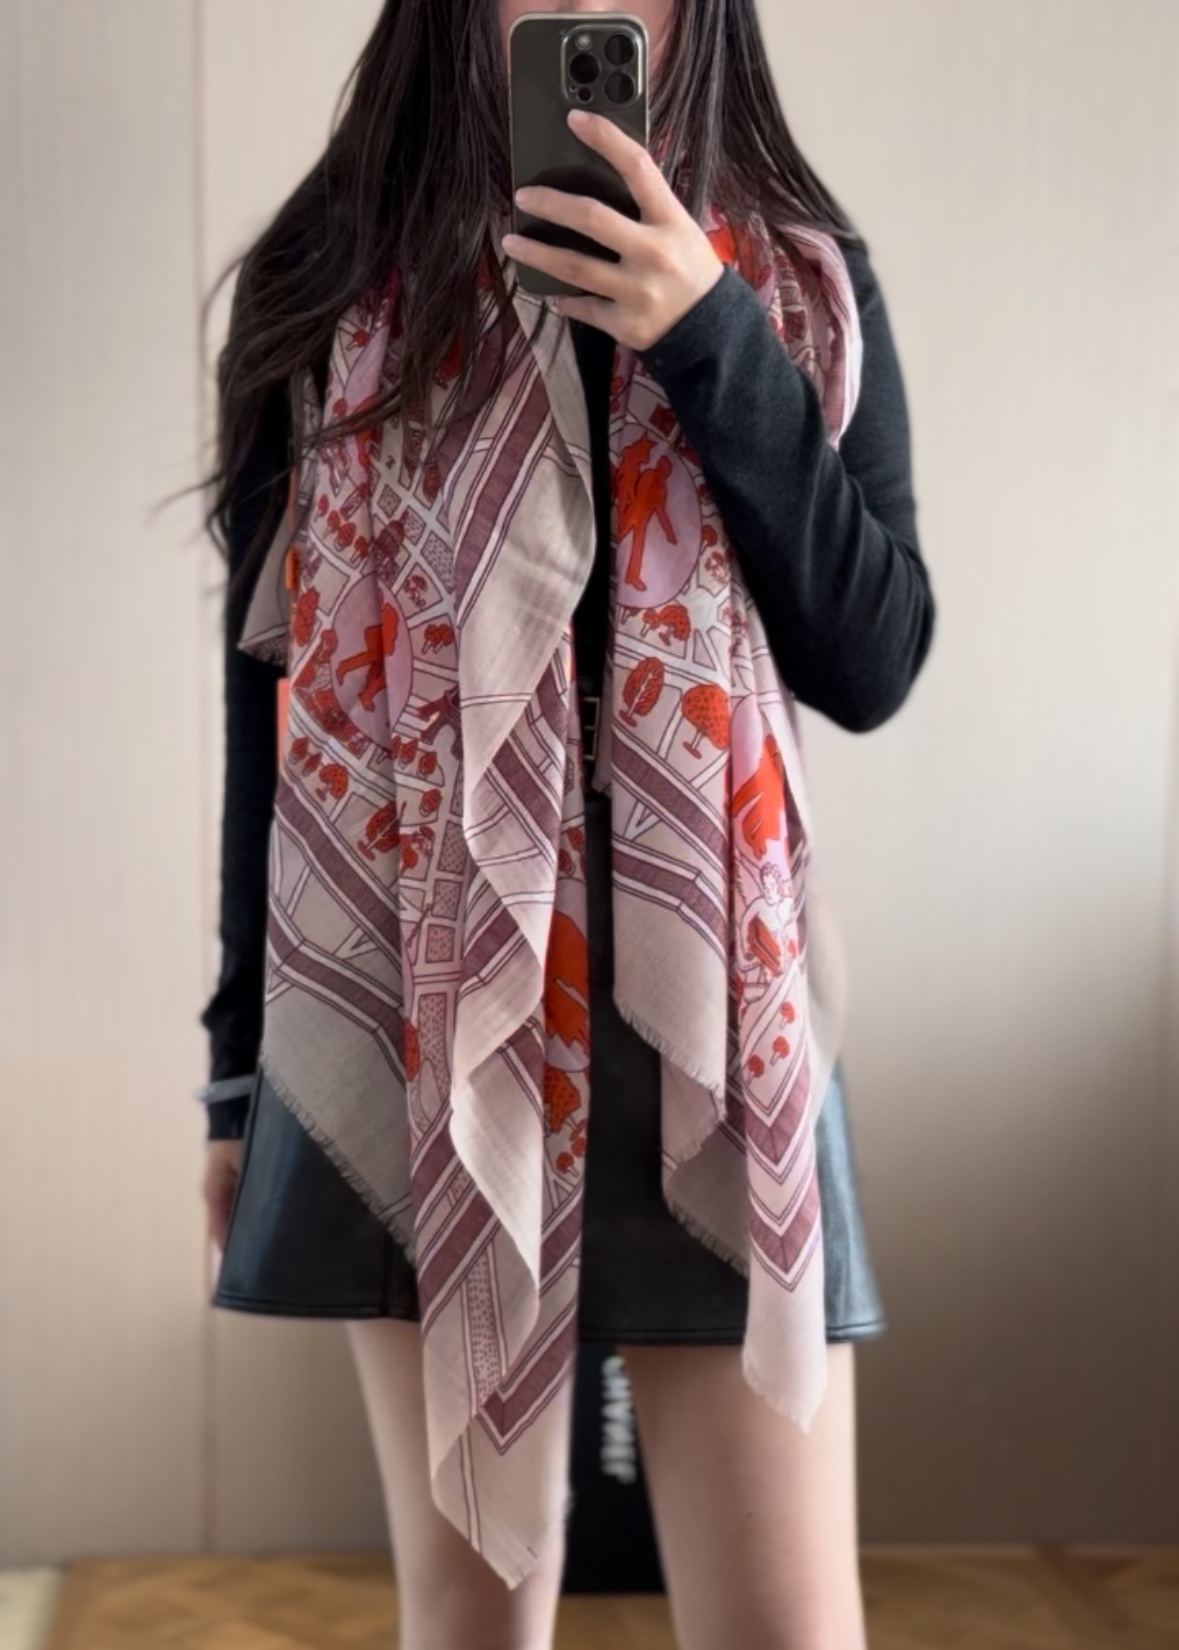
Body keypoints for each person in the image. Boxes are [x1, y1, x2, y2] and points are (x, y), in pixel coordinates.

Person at [195, 3, 935, 1646]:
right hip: (416, 1004)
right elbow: (271, 708)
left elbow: (873, 657)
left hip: (713, 1026)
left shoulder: (795, 283)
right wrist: (236, 1073)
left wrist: (707, 333)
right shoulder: (330, 280)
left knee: (787, 1631)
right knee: (472, 1626)